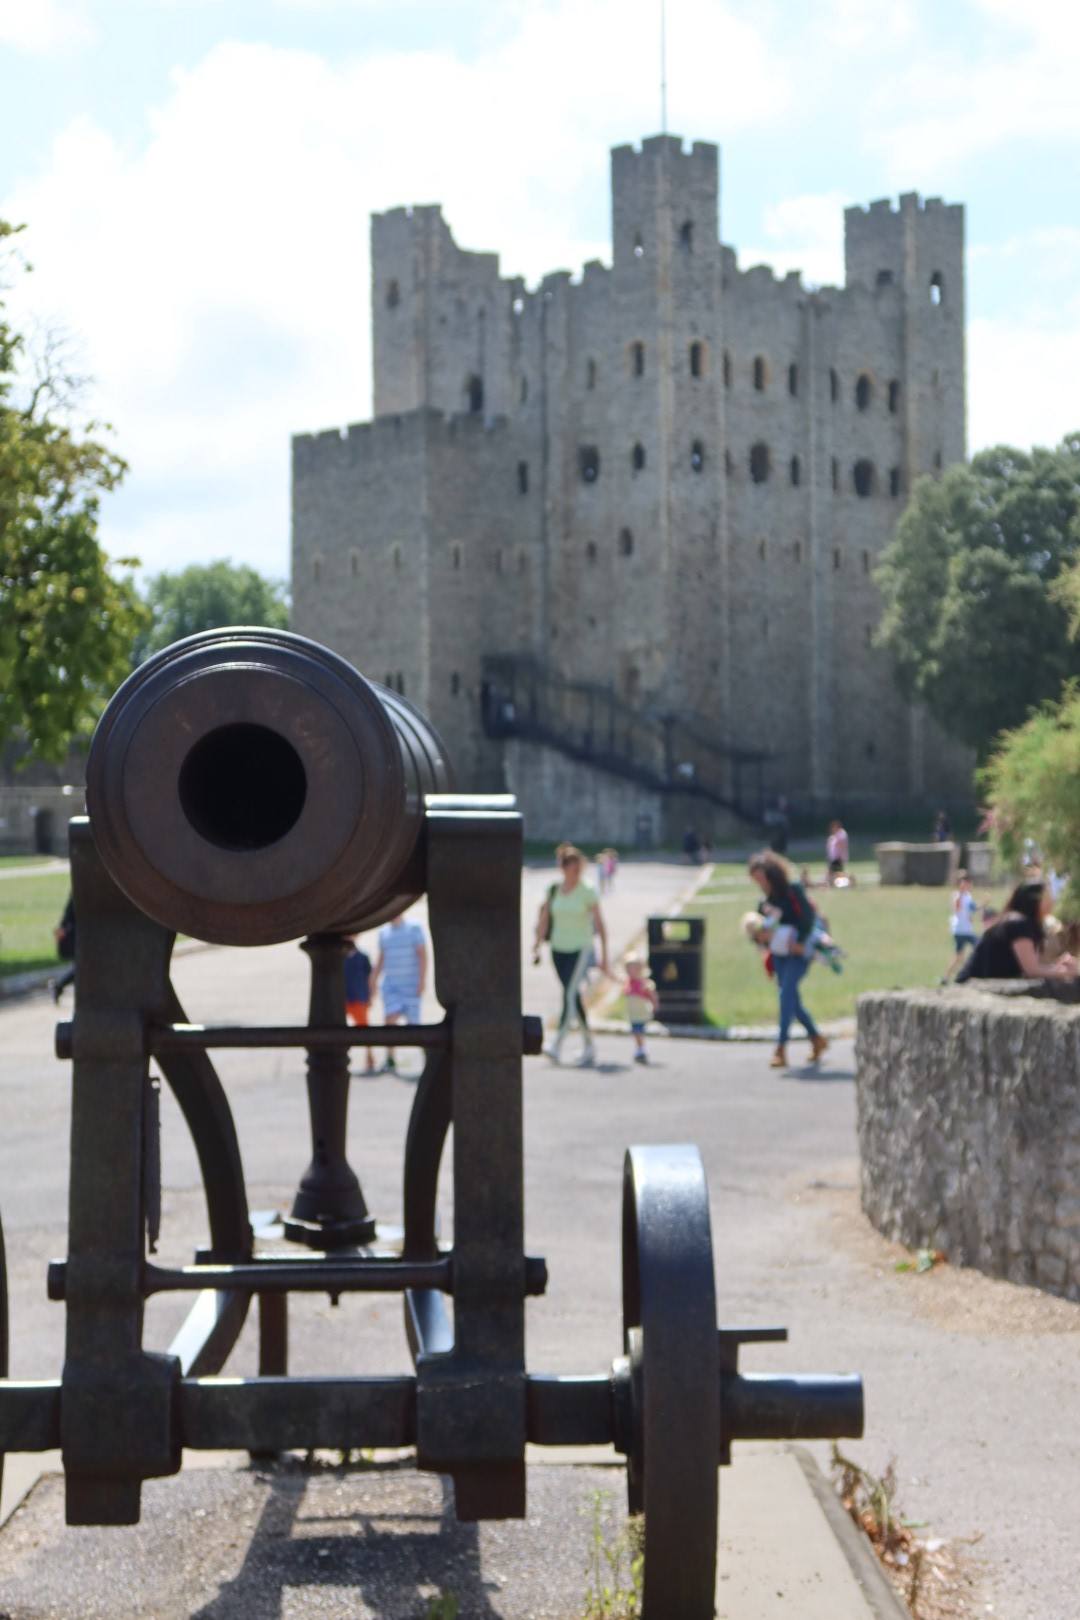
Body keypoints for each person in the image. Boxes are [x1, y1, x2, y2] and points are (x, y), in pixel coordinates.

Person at [748, 851, 829, 1070]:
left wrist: (801, 941)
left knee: (786, 995)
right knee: (791, 999)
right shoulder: (763, 903)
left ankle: (780, 1048)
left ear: (771, 874)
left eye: (761, 878)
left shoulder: (792, 891)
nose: (759, 883)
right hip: (779, 954)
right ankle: (816, 1039)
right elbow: (762, 932)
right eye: (755, 879)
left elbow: (807, 917)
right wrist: (760, 938)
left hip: (799, 952)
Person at [533, 843, 609, 1066]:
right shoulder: (554, 889)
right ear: (563, 868)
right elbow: (545, 918)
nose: (575, 873)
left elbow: (600, 924)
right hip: (558, 948)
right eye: (571, 868)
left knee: (568, 995)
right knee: (573, 996)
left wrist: (604, 956)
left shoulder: (587, 890)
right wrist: (537, 943)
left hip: (581, 948)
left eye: (578, 868)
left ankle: (556, 1043)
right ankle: (589, 1045)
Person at [958, 880, 1077, 983]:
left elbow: (1031, 966)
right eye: (1047, 896)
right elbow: (1031, 970)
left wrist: (1058, 966)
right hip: (971, 987)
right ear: (1034, 900)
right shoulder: (1019, 924)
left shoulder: (1022, 923)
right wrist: (1065, 972)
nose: (1052, 901)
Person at [371, 911, 427, 1073]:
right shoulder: (384, 933)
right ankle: (390, 1059)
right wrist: (373, 979)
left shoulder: (414, 928)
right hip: (392, 987)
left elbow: (422, 955)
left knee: (415, 1026)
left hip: (410, 985)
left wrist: (422, 981)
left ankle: (427, 1058)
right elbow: (381, 958)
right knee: (390, 1020)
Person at [344, 936, 377, 1075]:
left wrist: (370, 996)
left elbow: (370, 978)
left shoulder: (363, 957)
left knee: (364, 1030)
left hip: (359, 998)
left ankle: (370, 1058)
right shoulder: (340, 957)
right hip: (343, 999)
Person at [941, 870, 980, 983]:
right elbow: (957, 908)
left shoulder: (968, 896)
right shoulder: (957, 895)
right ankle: (952, 976)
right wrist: (961, 893)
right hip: (960, 930)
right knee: (964, 953)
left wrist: (982, 905)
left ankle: (948, 977)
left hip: (967, 930)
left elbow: (971, 910)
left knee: (961, 956)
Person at [622, 952, 658, 1065]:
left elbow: (652, 995)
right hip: (633, 1013)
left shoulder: (644, 983)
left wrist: (654, 1004)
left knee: (638, 1031)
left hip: (641, 1013)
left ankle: (641, 1049)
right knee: (636, 1032)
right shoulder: (628, 983)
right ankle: (639, 1049)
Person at [52, 894, 76, 1003]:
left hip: (78, 932)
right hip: (77, 935)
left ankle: (59, 986)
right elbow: (69, 913)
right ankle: (59, 986)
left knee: (80, 968)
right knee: (81, 968)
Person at [825, 819, 850, 886]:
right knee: (835, 873)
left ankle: (848, 882)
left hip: (838, 857)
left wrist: (840, 856)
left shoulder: (841, 833)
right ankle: (835, 884)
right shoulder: (834, 835)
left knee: (838, 873)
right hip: (834, 858)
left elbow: (842, 845)